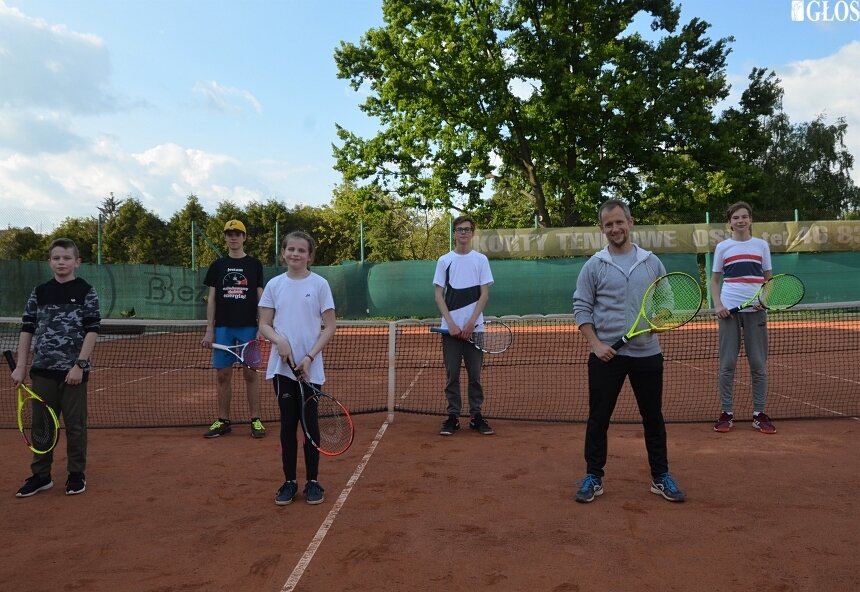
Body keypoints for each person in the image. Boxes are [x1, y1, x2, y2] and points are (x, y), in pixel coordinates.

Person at [572, 200, 684, 503]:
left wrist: (661, 319)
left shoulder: (651, 262)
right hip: (607, 355)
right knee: (599, 418)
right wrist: (596, 345)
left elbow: (666, 299)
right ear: (602, 228)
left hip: (647, 353)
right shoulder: (594, 265)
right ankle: (593, 475)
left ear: (630, 222)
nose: (615, 229)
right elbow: (581, 308)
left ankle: (660, 476)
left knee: (653, 418)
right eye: (608, 224)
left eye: (619, 222)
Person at [12, 238, 101, 498]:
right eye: (56, 258)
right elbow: (27, 329)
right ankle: (41, 476)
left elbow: (92, 330)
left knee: (75, 426)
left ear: (77, 262)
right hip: (42, 371)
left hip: (73, 373)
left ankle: (76, 474)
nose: (61, 262)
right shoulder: (39, 292)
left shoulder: (86, 290)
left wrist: (79, 366)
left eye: (66, 258)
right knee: (42, 426)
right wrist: (21, 366)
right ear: (50, 262)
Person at [258, 230, 336, 506]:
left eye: (301, 250)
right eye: (290, 249)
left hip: (310, 369)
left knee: (310, 424)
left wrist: (309, 358)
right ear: (283, 253)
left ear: (309, 256)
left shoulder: (320, 285)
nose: (295, 254)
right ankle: (289, 481)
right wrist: (279, 340)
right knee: (288, 425)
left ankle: (313, 481)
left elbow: (330, 327)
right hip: (282, 369)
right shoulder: (274, 285)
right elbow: (264, 323)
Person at [709, 202, 776, 434]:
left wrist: (764, 301)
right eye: (736, 217)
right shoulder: (723, 247)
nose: (740, 221)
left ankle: (759, 414)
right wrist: (718, 304)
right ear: (730, 222)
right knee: (727, 365)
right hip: (729, 311)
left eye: (744, 217)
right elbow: (715, 280)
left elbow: (769, 279)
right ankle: (726, 413)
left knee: (758, 365)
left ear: (750, 220)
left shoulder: (761, 245)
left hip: (755, 311)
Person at [201, 219, 266, 438]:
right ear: (225, 237)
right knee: (222, 375)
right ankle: (223, 421)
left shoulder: (254, 265)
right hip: (223, 328)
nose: (233, 237)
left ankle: (256, 420)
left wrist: (262, 326)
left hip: (248, 327)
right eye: (229, 233)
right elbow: (212, 300)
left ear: (244, 237)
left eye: (237, 233)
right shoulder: (217, 266)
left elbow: (260, 297)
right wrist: (210, 329)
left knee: (250, 374)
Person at [433, 214, 495, 436]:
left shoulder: (481, 260)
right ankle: (453, 417)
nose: (463, 233)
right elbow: (439, 295)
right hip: (450, 331)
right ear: (454, 233)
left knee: (475, 376)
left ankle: (476, 416)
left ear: (473, 233)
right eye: (460, 229)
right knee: (452, 376)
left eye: (467, 229)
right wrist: (450, 323)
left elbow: (484, 295)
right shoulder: (444, 261)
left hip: (474, 330)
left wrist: (470, 323)